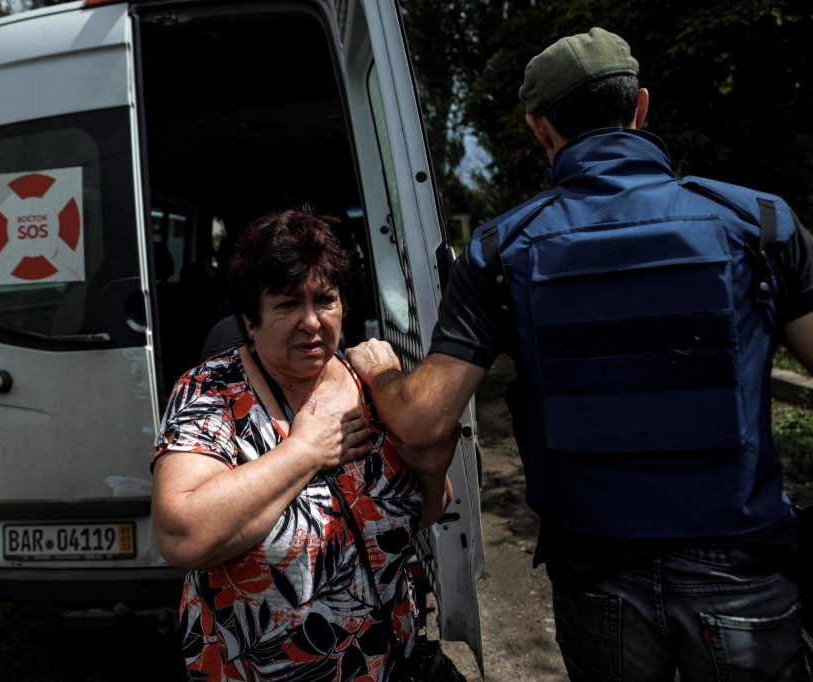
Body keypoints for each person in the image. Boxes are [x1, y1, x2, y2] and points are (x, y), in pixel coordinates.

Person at [347, 27, 813, 681]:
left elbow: (425, 421)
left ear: (540, 128)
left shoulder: (500, 251)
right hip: (743, 569)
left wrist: (384, 372)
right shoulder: (761, 223)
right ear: (641, 107)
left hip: (600, 575)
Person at [151, 206, 457, 681]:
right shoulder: (211, 393)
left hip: (386, 662)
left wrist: (432, 475)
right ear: (250, 321)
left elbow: (424, 513)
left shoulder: (372, 386)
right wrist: (304, 451)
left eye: (325, 300)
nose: (312, 322)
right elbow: (181, 535)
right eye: (289, 304)